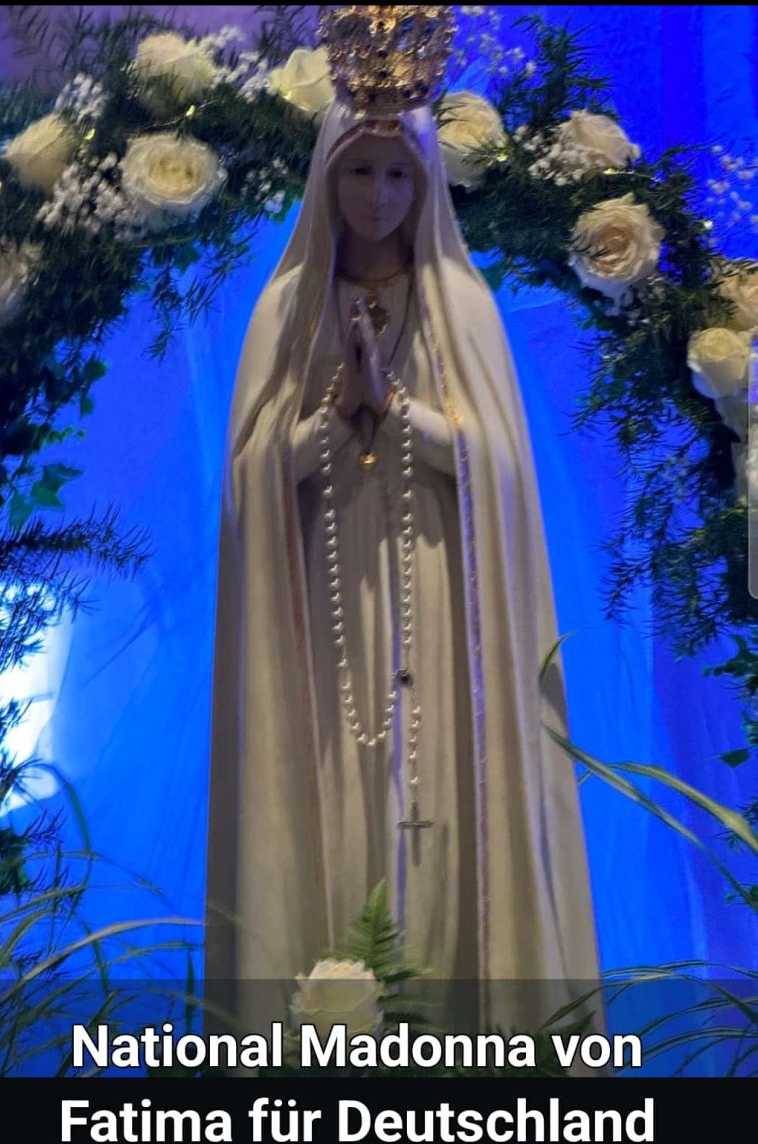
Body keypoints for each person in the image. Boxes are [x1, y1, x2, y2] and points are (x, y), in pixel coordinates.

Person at [206, 74, 603, 1035]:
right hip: (320, 613)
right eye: (359, 172)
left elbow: (501, 471)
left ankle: (458, 1040)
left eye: (397, 174)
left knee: (441, 809)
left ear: (425, 183)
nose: (377, 196)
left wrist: (400, 411)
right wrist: (333, 417)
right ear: (325, 178)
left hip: (443, 605)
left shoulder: (459, 306)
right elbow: (249, 480)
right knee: (338, 798)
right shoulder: (287, 308)